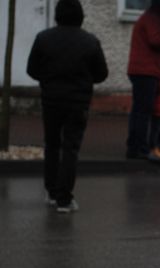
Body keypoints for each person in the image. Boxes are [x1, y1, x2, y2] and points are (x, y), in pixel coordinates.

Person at [26, 0, 108, 213]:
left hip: (51, 100)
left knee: (51, 145)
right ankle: (64, 199)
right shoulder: (90, 42)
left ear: (57, 15)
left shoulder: (43, 39)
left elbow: (32, 70)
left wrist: (49, 79)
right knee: (70, 148)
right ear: (80, 16)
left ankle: (52, 191)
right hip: (77, 103)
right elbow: (101, 74)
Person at [126, 0, 160, 161]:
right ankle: (139, 148)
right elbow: (156, 40)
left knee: (139, 110)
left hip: (142, 69)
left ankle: (134, 146)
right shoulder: (152, 19)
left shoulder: (148, 18)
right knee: (143, 111)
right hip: (146, 70)